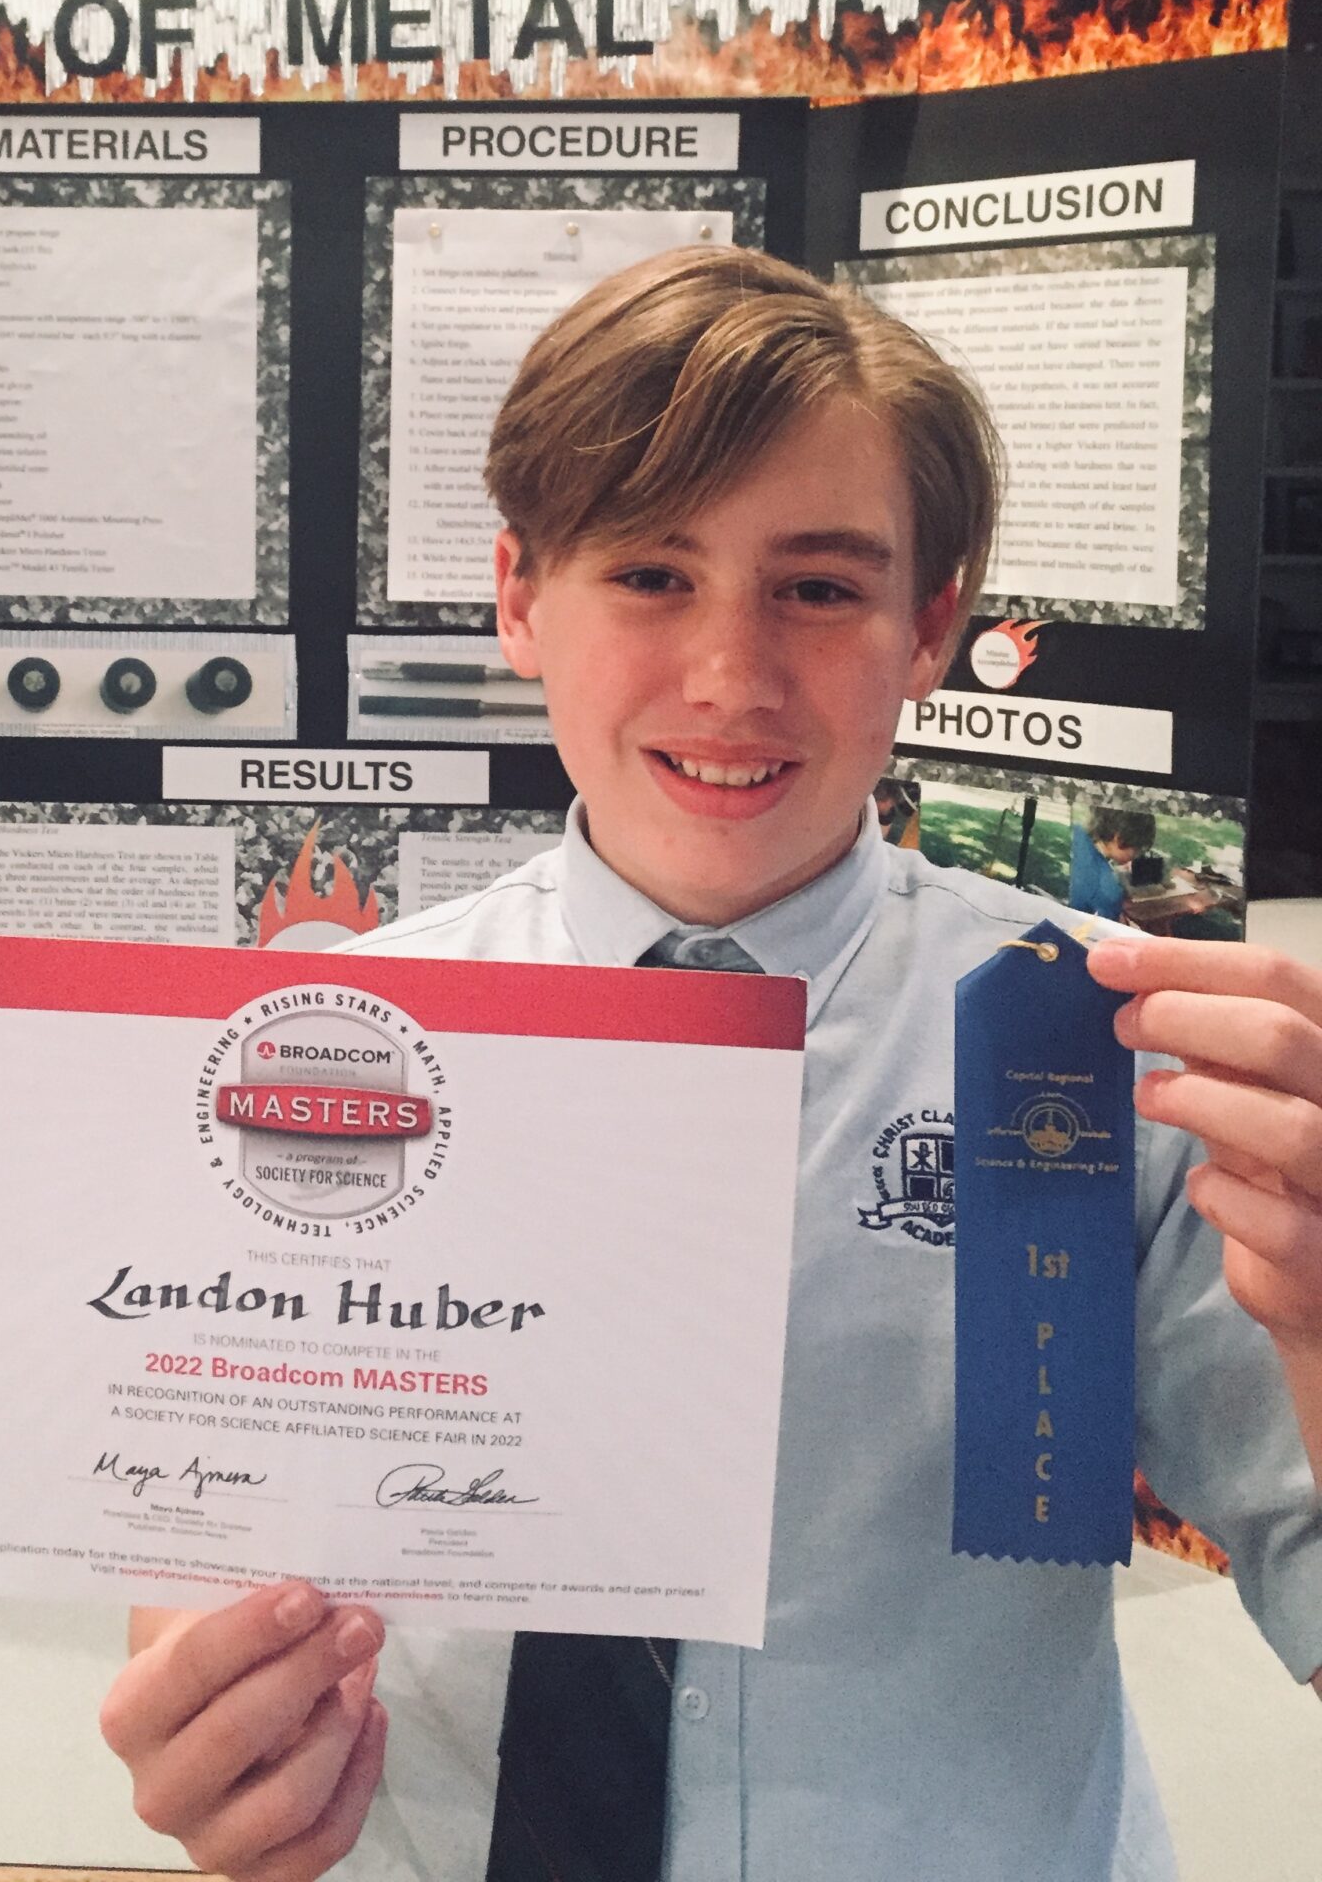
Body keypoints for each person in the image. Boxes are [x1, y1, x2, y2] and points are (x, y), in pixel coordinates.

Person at [99, 246, 1322, 1882]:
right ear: (522, 598)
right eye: (650, 576)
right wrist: (219, 1717)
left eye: (818, 588)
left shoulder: (1098, 1048)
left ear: (927, 625)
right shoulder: (306, 1056)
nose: (730, 679)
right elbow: (210, 1546)